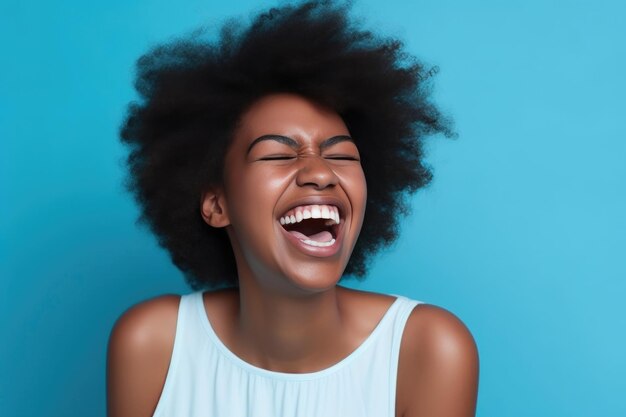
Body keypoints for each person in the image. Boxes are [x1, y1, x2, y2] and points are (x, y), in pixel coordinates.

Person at [107, 1, 479, 416]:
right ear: (216, 204)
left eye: (342, 156)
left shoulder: (427, 350)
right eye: (276, 156)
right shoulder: (152, 345)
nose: (320, 173)